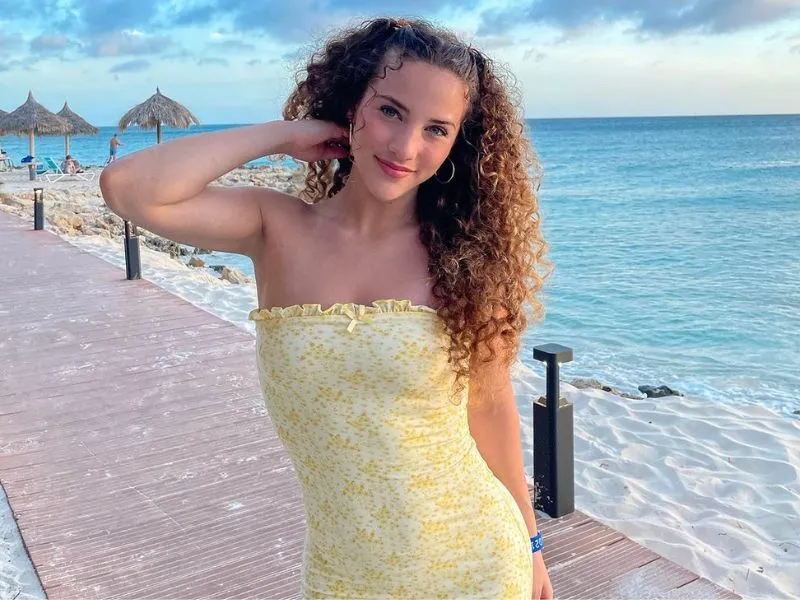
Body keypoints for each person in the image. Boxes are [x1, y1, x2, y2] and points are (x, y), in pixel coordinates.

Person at [100, 17, 552, 599]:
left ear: (455, 145)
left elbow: (490, 408)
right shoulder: (275, 227)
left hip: (478, 564)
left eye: (436, 129)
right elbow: (127, 187)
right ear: (350, 106)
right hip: (343, 577)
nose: (405, 147)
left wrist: (531, 545)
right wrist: (283, 135)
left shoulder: (464, 263)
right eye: (389, 111)